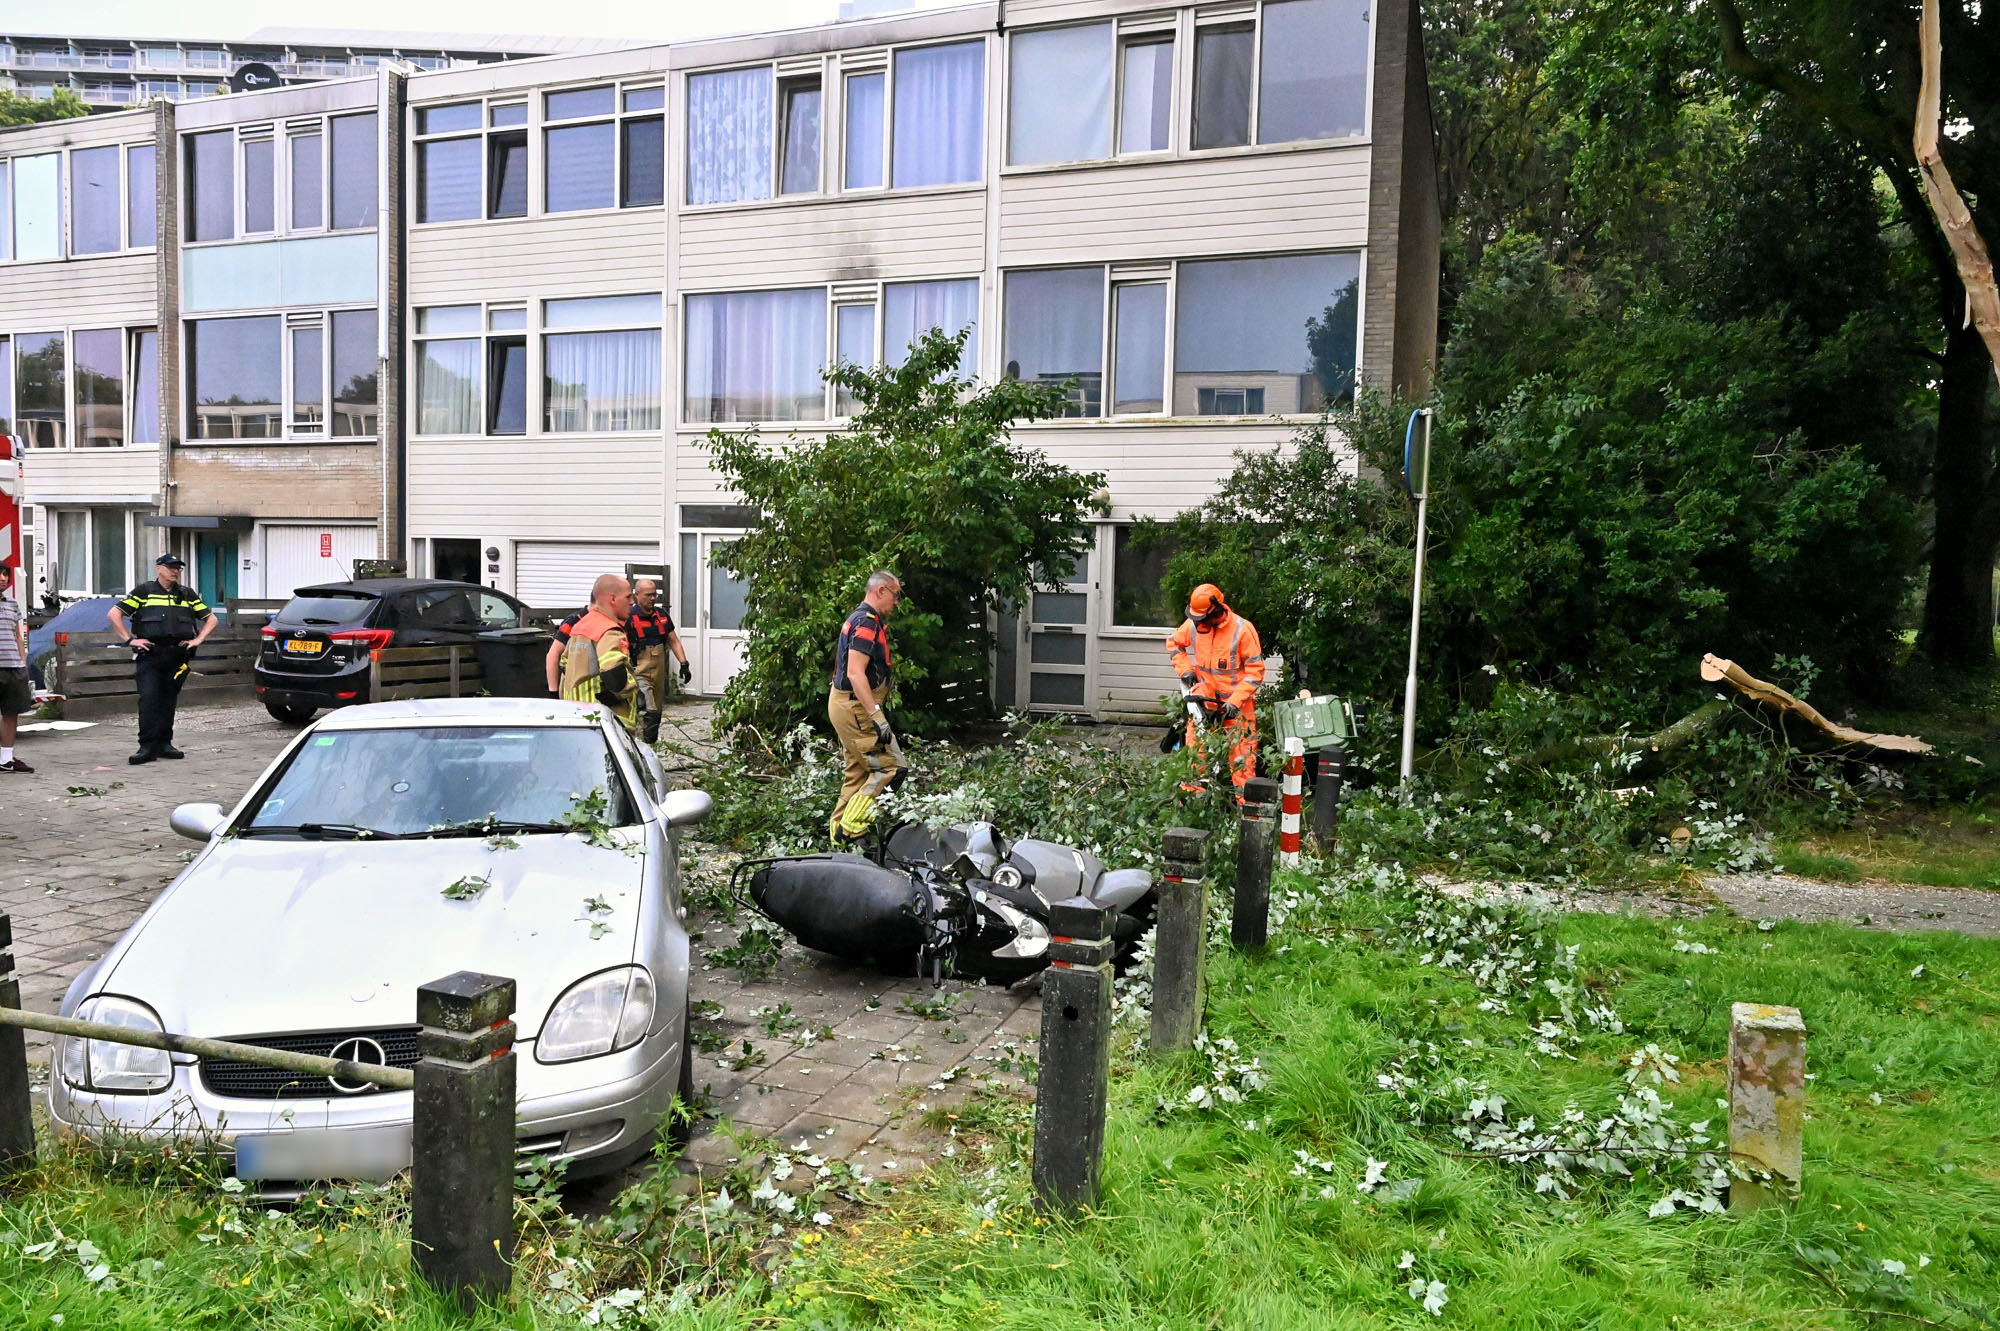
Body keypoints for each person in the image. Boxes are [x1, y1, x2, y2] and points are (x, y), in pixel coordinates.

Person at [108, 554, 217, 765]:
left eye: (178, 568)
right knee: (149, 698)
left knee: (168, 700)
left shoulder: (186, 594)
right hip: (151, 654)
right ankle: (146, 746)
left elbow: (210, 619)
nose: (175, 571)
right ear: (159, 568)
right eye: (171, 567)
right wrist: (130, 640)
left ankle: (165, 744)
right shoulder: (144, 591)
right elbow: (114, 614)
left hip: (177, 655)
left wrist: (198, 639)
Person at [827, 570, 908, 846]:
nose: (897, 602)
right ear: (881, 591)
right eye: (896, 595)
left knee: (857, 773)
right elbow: (855, 673)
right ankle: (851, 830)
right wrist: (877, 716)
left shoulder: (859, 618)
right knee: (892, 768)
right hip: (856, 707)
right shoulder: (866, 623)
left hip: (845, 705)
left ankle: (839, 842)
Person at [1164, 582, 1265, 797]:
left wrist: (1235, 702)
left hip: (1237, 710)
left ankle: (1246, 814)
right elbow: (1174, 643)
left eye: (1202, 619)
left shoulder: (1242, 630)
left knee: (1242, 763)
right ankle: (1191, 807)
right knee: (1195, 759)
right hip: (1204, 703)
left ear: (1215, 610)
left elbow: (1255, 671)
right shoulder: (1194, 625)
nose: (1199, 623)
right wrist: (1185, 670)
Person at [555, 573, 640, 733]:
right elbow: (615, 677)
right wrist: (625, 691)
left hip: (578, 719)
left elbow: (564, 669)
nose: (632, 602)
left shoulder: (580, 627)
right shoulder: (609, 631)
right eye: (628, 597)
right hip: (608, 723)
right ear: (613, 599)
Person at [627, 577, 691, 743]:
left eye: (655, 594)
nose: (653, 598)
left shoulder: (661, 615)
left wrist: (684, 664)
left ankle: (650, 744)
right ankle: (639, 742)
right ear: (636, 595)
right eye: (648, 595)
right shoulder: (629, 617)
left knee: (656, 708)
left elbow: (674, 640)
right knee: (647, 706)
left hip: (658, 670)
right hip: (639, 669)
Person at [0, 564, 32, 774]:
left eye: (5, 575)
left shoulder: (11, 604)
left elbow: (18, 635)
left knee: (11, 713)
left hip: (13, 667)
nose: (3, 578)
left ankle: (6, 758)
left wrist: (22, 660)